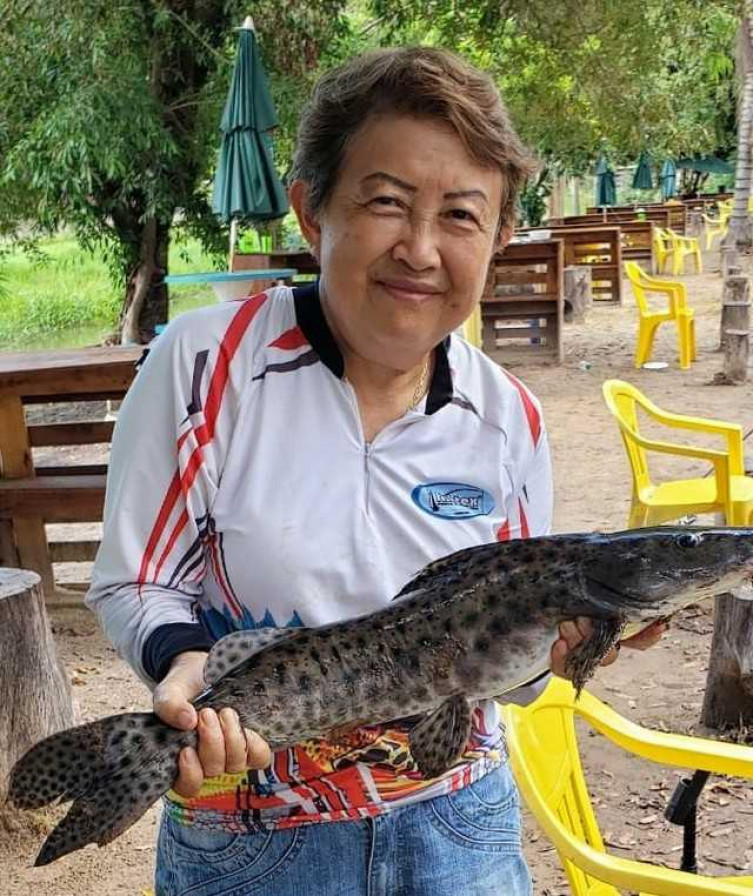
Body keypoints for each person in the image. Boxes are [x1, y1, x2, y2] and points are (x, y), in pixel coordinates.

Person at [86, 46, 665, 896]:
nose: (420, 250)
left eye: (460, 216)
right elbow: (138, 579)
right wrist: (185, 666)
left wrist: (568, 651)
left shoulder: (508, 416)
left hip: (459, 829)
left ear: (499, 240)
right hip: (253, 839)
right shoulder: (205, 364)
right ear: (310, 212)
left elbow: (506, 680)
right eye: (386, 203)